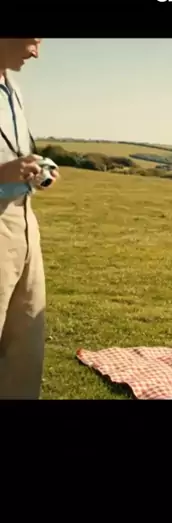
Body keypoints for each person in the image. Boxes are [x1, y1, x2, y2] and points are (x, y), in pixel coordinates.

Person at [0, 38, 58, 399]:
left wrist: (39, 168)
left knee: (26, 343)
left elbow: (15, 155)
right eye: (33, 41)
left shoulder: (13, 90)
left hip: (24, 219)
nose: (37, 53)